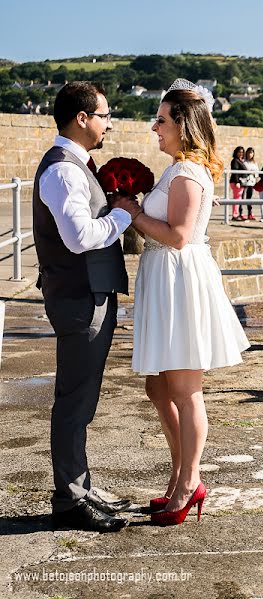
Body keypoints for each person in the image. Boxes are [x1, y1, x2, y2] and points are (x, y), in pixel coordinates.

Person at [128, 80, 250, 526]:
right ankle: (180, 475)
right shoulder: (178, 169)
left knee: (184, 389)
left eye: (161, 120)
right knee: (158, 387)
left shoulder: (188, 173)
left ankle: (188, 482)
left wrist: (133, 213)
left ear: (183, 124)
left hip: (180, 280)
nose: (154, 127)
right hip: (167, 280)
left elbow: (179, 236)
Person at [34, 81, 133, 532]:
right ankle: (69, 500)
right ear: (82, 118)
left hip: (87, 295)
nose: (108, 123)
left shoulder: (74, 166)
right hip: (78, 298)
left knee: (83, 398)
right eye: (104, 114)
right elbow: (78, 239)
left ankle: (80, 485)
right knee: (74, 401)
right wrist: (122, 216)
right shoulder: (64, 171)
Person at [241, 146, 260, 221]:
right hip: (244, 181)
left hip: (251, 182)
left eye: (251, 153)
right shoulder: (243, 161)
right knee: (242, 198)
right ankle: (241, 212)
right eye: (248, 153)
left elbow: (257, 172)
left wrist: (256, 177)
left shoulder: (254, 162)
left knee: (249, 198)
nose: (250, 154)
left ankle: (250, 213)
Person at [228, 146, 246, 221]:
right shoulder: (235, 160)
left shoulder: (240, 160)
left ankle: (237, 214)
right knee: (237, 199)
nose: (241, 153)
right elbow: (235, 172)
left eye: (242, 152)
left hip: (240, 182)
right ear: (236, 152)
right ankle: (235, 215)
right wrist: (237, 182)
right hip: (236, 182)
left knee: (238, 199)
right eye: (239, 152)